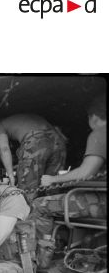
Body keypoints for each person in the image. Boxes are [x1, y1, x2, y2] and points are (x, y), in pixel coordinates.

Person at [30, 93, 107, 240]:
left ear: (94, 117)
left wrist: (53, 179)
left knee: (39, 205)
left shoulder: (100, 133)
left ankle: (43, 257)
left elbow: (86, 172)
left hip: (102, 202)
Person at [0, 113, 67, 200]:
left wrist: (10, 174)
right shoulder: (20, 118)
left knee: (28, 189)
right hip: (58, 140)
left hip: (36, 140)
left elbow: (4, 149)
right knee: (51, 185)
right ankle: (52, 209)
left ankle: (28, 210)